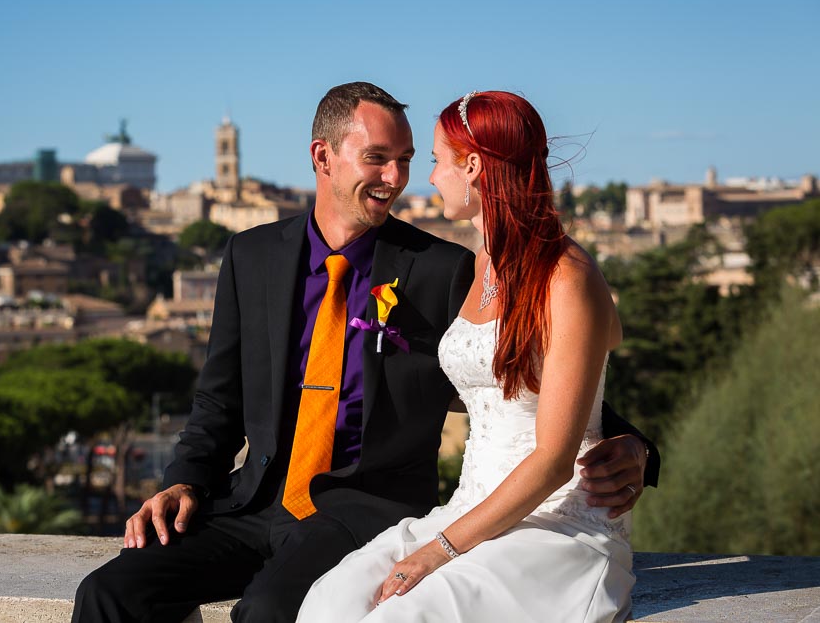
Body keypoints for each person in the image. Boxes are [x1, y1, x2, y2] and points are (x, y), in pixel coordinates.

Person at [72, 83, 657, 623]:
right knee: (107, 593)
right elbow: (216, 403)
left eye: (408, 158)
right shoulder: (250, 258)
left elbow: (525, 378)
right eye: (378, 157)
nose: (399, 177)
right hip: (252, 504)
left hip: (363, 510)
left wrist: (635, 447)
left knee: (270, 612)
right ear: (322, 157)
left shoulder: (442, 269)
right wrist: (183, 483)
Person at [297, 91, 639, 622]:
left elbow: (553, 458)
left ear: (473, 167)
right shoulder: (479, 264)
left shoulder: (567, 276)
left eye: (434, 160)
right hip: (467, 509)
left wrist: (439, 551)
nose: (427, 178)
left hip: (552, 526)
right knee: (326, 604)